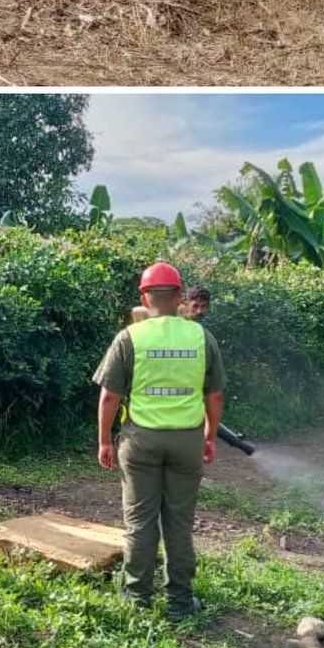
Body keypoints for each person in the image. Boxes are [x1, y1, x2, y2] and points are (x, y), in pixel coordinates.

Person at [94, 261, 225, 621]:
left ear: (144, 296)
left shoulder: (130, 337)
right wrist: (209, 436)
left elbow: (109, 396)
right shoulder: (201, 337)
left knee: (140, 522)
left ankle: (137, 601)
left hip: (141, 441)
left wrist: (105, 441)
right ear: (180, 297)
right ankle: (180, 604)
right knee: (179, 524)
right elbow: (214, 395)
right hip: (186, 441)